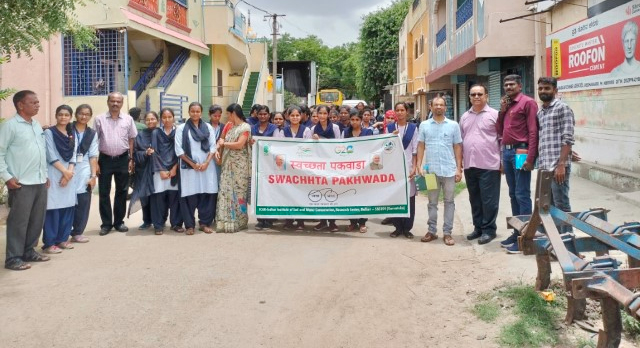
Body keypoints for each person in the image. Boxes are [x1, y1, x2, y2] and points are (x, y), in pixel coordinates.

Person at [0, 91, 50, 270]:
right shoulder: (10, 126)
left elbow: (40, 152)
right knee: (18, 222)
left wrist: (45, 175)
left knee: (37, 219)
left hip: (39, 181)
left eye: (38, 102)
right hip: (21, 183)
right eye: (33, 102)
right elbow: (0, 153)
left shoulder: (36, 125)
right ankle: (13, 258)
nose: (38, 105)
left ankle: (29, 251)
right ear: (21, 105)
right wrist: (7, 177)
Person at [497, 74, 539, 252]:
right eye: (506, 84)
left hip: (521, 151)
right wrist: (502, 110)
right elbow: (499, 129)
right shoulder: (507, 105)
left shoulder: (527, 103)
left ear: (520, 86)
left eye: (512, 84)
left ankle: (526, 237)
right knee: (513, 194)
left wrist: (531, 157)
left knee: (522, 194)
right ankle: (517, 231)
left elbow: (533, 131)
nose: (508, 87)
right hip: (507, 151)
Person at [533, 76, 575, 249]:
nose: (543, 91)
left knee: (562, 207)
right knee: (546, 207)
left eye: (547, 88)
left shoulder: (562, 109)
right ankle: (553, 245)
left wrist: (561, 164)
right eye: (541, 88)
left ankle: (569, 248)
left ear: (555, 91)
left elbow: (567, 138)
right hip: (544, 167)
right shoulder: (540, 112)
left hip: (558, 168)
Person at [416, 97, 462, 246]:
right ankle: (432, 231)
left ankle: (448, 233)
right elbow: (421, 146)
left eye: (441, 105)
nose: (438, 107)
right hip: (431, 171)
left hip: (449, 170)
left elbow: (457, 147)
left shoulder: (453, 125)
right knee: (432, 202)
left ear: (445, 107)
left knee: (449, 201)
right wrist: (419, 165)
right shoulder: (424, 125)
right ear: (430, 107)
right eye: (435, 104)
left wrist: (458, 168)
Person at [460, 85, 502, 245]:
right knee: (475, 199)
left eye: (480, 94)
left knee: (489, 200)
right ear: (469, 97)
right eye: (473, 94)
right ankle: (478, 228)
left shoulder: (495, 115)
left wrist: (502, 162)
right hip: (470, 165)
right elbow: (461, 140)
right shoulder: (465, 117)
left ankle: (489, 230)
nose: (476, 97)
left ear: (486, 96)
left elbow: (502, 139)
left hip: (489, 164)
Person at [95, 92, 138, 235]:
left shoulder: (128, 119)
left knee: (122, 191)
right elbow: (95, 141)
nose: (115, 104)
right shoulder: (99, 119)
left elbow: (131, 139)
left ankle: (119, 222)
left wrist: (131, 159)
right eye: (112, 101)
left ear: (122, 103)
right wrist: (95, 162)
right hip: (105, 159)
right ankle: (106, 224)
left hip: (123, 159)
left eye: (118, 101)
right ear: (108, 102)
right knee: (104, 192)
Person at [175, 102, 218, 235]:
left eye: (197, 111)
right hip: (189, 168)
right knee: (189, 195)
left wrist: (206, 162)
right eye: (192, 111)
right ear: (189, 112)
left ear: (201, 112)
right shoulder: (181, 128)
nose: (195, 113)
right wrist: (193, 164)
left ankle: (204, 223)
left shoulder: (208, 127)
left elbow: (213, 146)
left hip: (207, 167)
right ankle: (189, 225)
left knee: (207, 194)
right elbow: (179, 149)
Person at [42, 105, 77, 254]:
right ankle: (50, 243)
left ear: (70, 117)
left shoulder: (71, 132)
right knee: (53, 208)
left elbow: (74, 154)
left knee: (68, 206)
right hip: (54, 172)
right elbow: (50, 154)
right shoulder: (49, 132)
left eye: (66, 115)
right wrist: (64, 172)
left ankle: (62, 239)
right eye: (60, 115)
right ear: (56, 116)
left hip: (69, 174)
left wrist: (69, 172)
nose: (63, 117)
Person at [216, 103, 252, 233]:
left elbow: (239, 144)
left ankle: (240, 221)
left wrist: (224, 143)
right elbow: (220, 140)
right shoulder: (229, 126)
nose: (227, 116)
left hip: (240, 166)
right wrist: (219, 150)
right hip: (227, 163)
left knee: (239, 192)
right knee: (226, 191)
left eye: (228, 113)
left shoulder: (245, 127)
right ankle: (225, 221)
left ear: (234, 113)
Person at [275, 105, 312, 230]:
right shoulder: (282, 131)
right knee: (288, 193)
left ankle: (301, 221)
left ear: (301, 116)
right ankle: (289, 220)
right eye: (292, 115)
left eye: (297, 115)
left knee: (301, 193)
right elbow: (279, 148)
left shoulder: (306, 130)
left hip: (301, 168)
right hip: (288, 169)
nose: (295, 117)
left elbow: (309, 148)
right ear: (288, 117)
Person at [388, 102, 418, 239]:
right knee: (395, 197)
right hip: (393, 168)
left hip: (408, 166)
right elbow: (385, 148)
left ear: (407, 112)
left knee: (409, 198)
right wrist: (391, 138)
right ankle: (397, 227)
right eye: (397, 110)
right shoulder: (389, 128)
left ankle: (407, 228)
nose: (400, 113)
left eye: (402, 110)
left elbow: (415, 150)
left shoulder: (412, 128)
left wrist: (415, 168)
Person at [150, 108, 183, 234]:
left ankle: (176, 223)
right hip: (160, 170)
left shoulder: (179, 131)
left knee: (175, 198)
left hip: (175, 169)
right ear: (160, 119)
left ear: (173, 117)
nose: (167, 120)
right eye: (164, 117)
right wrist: (162, 170)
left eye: (170, 117)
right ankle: (158, 225)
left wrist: (175, 167)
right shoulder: (156, 133)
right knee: (159, 198)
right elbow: (154, 152)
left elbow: (181, 151)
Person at [311, 104, 342, 233]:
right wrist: (314, 140)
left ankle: (333, 222)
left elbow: (339, 144)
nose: (322, 116)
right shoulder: (313, 129)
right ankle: (323, 221)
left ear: (328, 115)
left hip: (332, 164)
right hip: (319, 164)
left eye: (325, 113)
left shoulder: (335, 127)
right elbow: (310, 147)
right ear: (316, 114)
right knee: (321, 191)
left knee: (332, 192)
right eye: (320, 113)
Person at [70, 104, 98, 244]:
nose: (84, 116)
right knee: (67, 202)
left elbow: (93, 156)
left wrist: (93, 176)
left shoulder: (92, 133)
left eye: (87, 114)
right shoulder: (68, 129)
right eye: (81, 113)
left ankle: (78, 232)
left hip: (84, 169)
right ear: (76, 114)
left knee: (83, 201)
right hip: (67, 168)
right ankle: (63, 233)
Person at [128, 111, 160, 233]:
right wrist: (145, 153)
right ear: (144, 121)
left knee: (157, 196)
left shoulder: (161, 133)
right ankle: (147, 220)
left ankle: (159, 220)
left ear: (157, 120)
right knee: (144, 195)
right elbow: (136, 153)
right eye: (148, 119)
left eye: (153, 119)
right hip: (143, 169)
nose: (150, 121)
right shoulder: (140, 135)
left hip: (158, 169)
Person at [343, 111, 373, 233]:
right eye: (352, 120)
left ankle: (362, 222)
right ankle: (352, 222)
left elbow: (372, 148)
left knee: (363, 195)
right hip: (349, 169)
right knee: (350, 195)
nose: (354, 122)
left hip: (363, 168)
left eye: (356, 120)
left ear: (361, 121)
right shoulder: (345, 132)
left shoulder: (368, 132)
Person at [251, 104, 278, 230]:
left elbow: (278, 144)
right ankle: (260, 219)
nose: (262, 116)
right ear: (257, 115)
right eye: (260, 114)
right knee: (259, 190)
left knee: (271, 190)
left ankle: (270, 219)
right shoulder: (253, 128)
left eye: (265, 114)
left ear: (269, 115)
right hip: (257, 164)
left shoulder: (274, 128)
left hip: (271, 164)